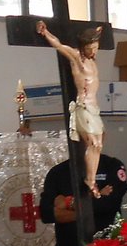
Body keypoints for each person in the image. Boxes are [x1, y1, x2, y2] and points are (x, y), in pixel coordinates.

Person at [35, 20, 105, 188]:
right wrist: (45, 33)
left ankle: (92, 179)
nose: (94, 51)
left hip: (94, 109)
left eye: (96, 47)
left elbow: (95, 34)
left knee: (99, 145)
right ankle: (90, 180)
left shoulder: (92, 61)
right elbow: (59, 45)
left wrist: (97, 31)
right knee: (93, 143)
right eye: (90, 48)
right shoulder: (76, 58)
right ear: (83, 47)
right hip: (83, 107)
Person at [39, 153, 127, 246]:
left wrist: (68, 203)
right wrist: (97, 196)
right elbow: (46, 213)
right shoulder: (58, 172)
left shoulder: (112, 165)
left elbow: (109, 205)